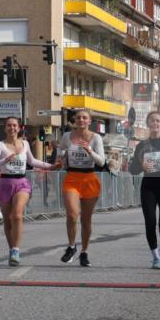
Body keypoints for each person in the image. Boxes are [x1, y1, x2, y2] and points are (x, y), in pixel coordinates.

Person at [0, 117, 53, 265]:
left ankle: (16, 249)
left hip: (21, 182)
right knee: (7, 220)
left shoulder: (24, 144)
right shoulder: (0, 145)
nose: (12, 128)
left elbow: (32, 161)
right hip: (5, 182)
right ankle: (12, 249)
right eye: (9, 126)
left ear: (19, 128)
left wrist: (49, 166)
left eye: (15, 125)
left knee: (17, 215)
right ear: (5, 128)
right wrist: (4, 161)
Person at [54, 108, 105, 266]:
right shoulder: (67, 136)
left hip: (89, 179)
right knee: (72, 214)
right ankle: (71, 246)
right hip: (72, 178)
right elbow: (60, 150)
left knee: (86, 220)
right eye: (78, 118)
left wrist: (89, 151)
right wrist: (60, 157)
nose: (81, 120)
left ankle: (84, 252)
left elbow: (102, 162)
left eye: (84, 118)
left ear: (90, 121)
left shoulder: (95, 138)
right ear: (74, 121)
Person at [128, 111, 160, 269]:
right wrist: (140, 165)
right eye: (151, 121)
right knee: (150, 222)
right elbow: (132, 169)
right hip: (149, 186)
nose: (155, 123)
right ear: (148, 124)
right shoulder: (142, 146)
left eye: (157, 121)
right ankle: (156, 257)